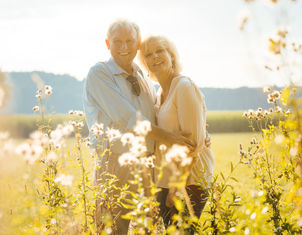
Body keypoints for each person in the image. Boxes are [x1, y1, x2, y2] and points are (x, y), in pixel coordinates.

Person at [83, 20, 195, 235]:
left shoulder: (143, 76)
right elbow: (127, 118)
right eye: (117, 42)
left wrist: (197, 131)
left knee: (147, 229)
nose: (124, 47)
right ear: (108, 43)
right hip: (115, 165)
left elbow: (158, 114)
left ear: (138, 44)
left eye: (129, 41)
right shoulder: (99, 73)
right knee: (113, 228)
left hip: (148, 166)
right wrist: (171, 138)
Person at [138, 35, 215, 234]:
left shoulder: (184, 86)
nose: (154, 57)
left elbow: (194, 143)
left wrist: (174, 189)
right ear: (144, 62)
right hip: (166, 179)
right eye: (148, 54)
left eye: (159, 51)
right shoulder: (158, 94)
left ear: (171, 55)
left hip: (190, 180)